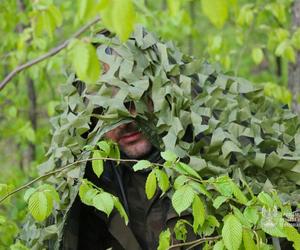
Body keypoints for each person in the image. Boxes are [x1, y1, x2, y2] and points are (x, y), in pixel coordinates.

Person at [19, 27, 300, 249]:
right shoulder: (90, 189)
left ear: (160, 96)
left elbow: (281, 224)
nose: (126, 120)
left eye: (134, 101)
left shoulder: (216, 157)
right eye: (105, 111)